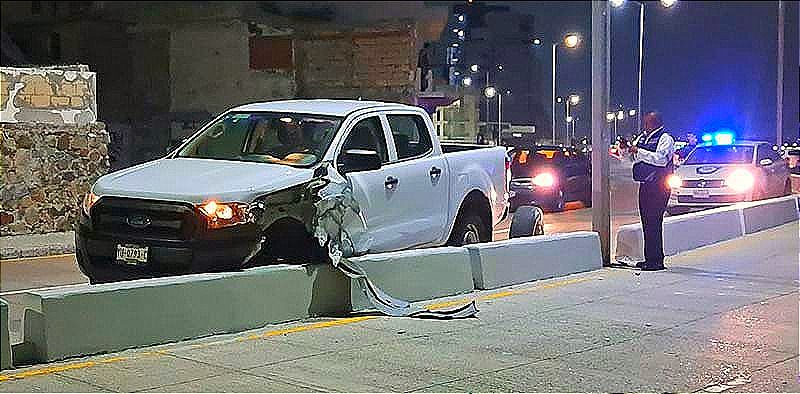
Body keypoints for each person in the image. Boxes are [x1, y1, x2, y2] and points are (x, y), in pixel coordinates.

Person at [622, 111, 675, 271]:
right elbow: (631, 160)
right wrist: (627, 151)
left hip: (659, 186)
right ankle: (649, 258)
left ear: (655, 123)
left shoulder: (666, 138)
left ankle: (657, 260)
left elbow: (661, 160)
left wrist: (639, 151)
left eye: (647, 123)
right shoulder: (643, 138)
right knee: (646, 222)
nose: (645, 126)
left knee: (654, 221)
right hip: (645, 184)